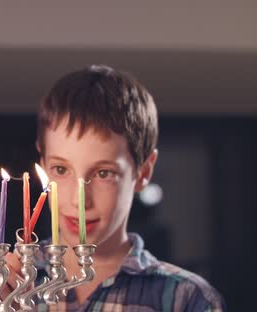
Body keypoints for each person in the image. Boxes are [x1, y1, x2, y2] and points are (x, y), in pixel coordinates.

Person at [31, 65, 225, 311]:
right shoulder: (8, 282)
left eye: (103, 173)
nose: (79, 202)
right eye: (61, 170)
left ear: (143, 173)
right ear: (43, 165)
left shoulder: (186, 299)